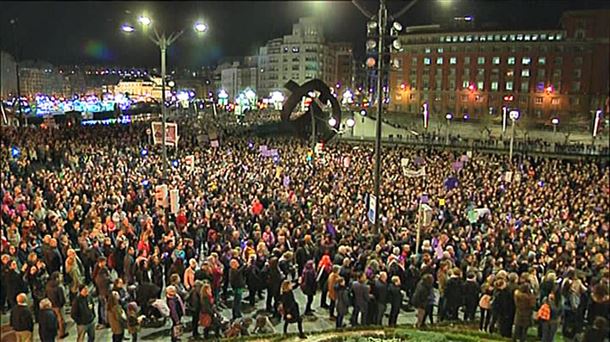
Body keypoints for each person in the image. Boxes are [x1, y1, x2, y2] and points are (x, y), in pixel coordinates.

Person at [45, 271, 67, 339]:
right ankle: (61, 333)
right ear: (57, 278)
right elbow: (62, 298)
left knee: (54, 320)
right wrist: (62, 304)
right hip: (58, 306)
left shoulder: (48, 285)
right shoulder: (59, 286)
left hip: (52, 305)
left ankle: (55, 333)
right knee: (61, 320)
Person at [92, 256, 111, 329]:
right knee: (103, 307)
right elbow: (108, 279)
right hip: (103, 292)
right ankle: (104, 321)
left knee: (101, 307)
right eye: (104, 262)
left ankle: (102, 320)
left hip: (101, 291)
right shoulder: (100, 273)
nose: (105, 263)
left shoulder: (99, 270)